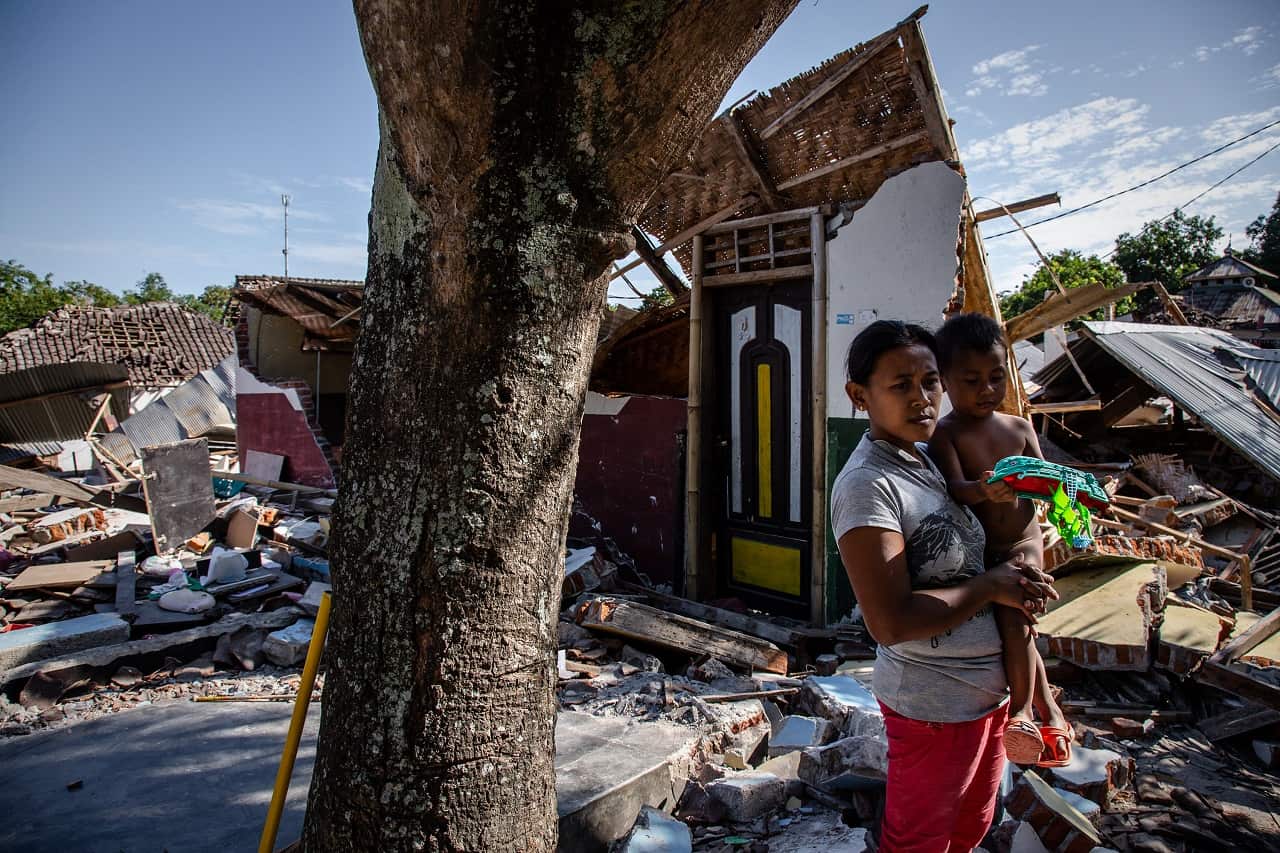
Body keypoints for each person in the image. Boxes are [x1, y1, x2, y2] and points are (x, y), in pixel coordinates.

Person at [831, 320, 1057, 852]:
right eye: (901, 384)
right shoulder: (869, 485)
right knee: (919, 842)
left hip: (985, 698)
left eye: (930, 381)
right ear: (859, 397)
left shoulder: (926, 458)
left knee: (968, 829)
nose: (922, 398)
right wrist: (990, 588)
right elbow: (890, 623)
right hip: (933, 707)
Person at [927, 313, 1071, 767]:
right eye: (971, 380)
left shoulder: (1020, 428)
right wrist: (984, 489)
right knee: (1019, 633)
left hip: (1024, 543)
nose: (987, 389)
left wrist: (1073, 514)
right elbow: (955, 488)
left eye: (996, 377)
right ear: (945, 381)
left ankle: (1023, 714)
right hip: (980, 552)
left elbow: (1052, 483)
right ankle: (1051, 713)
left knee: (1016, 624)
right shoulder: (945, 433)